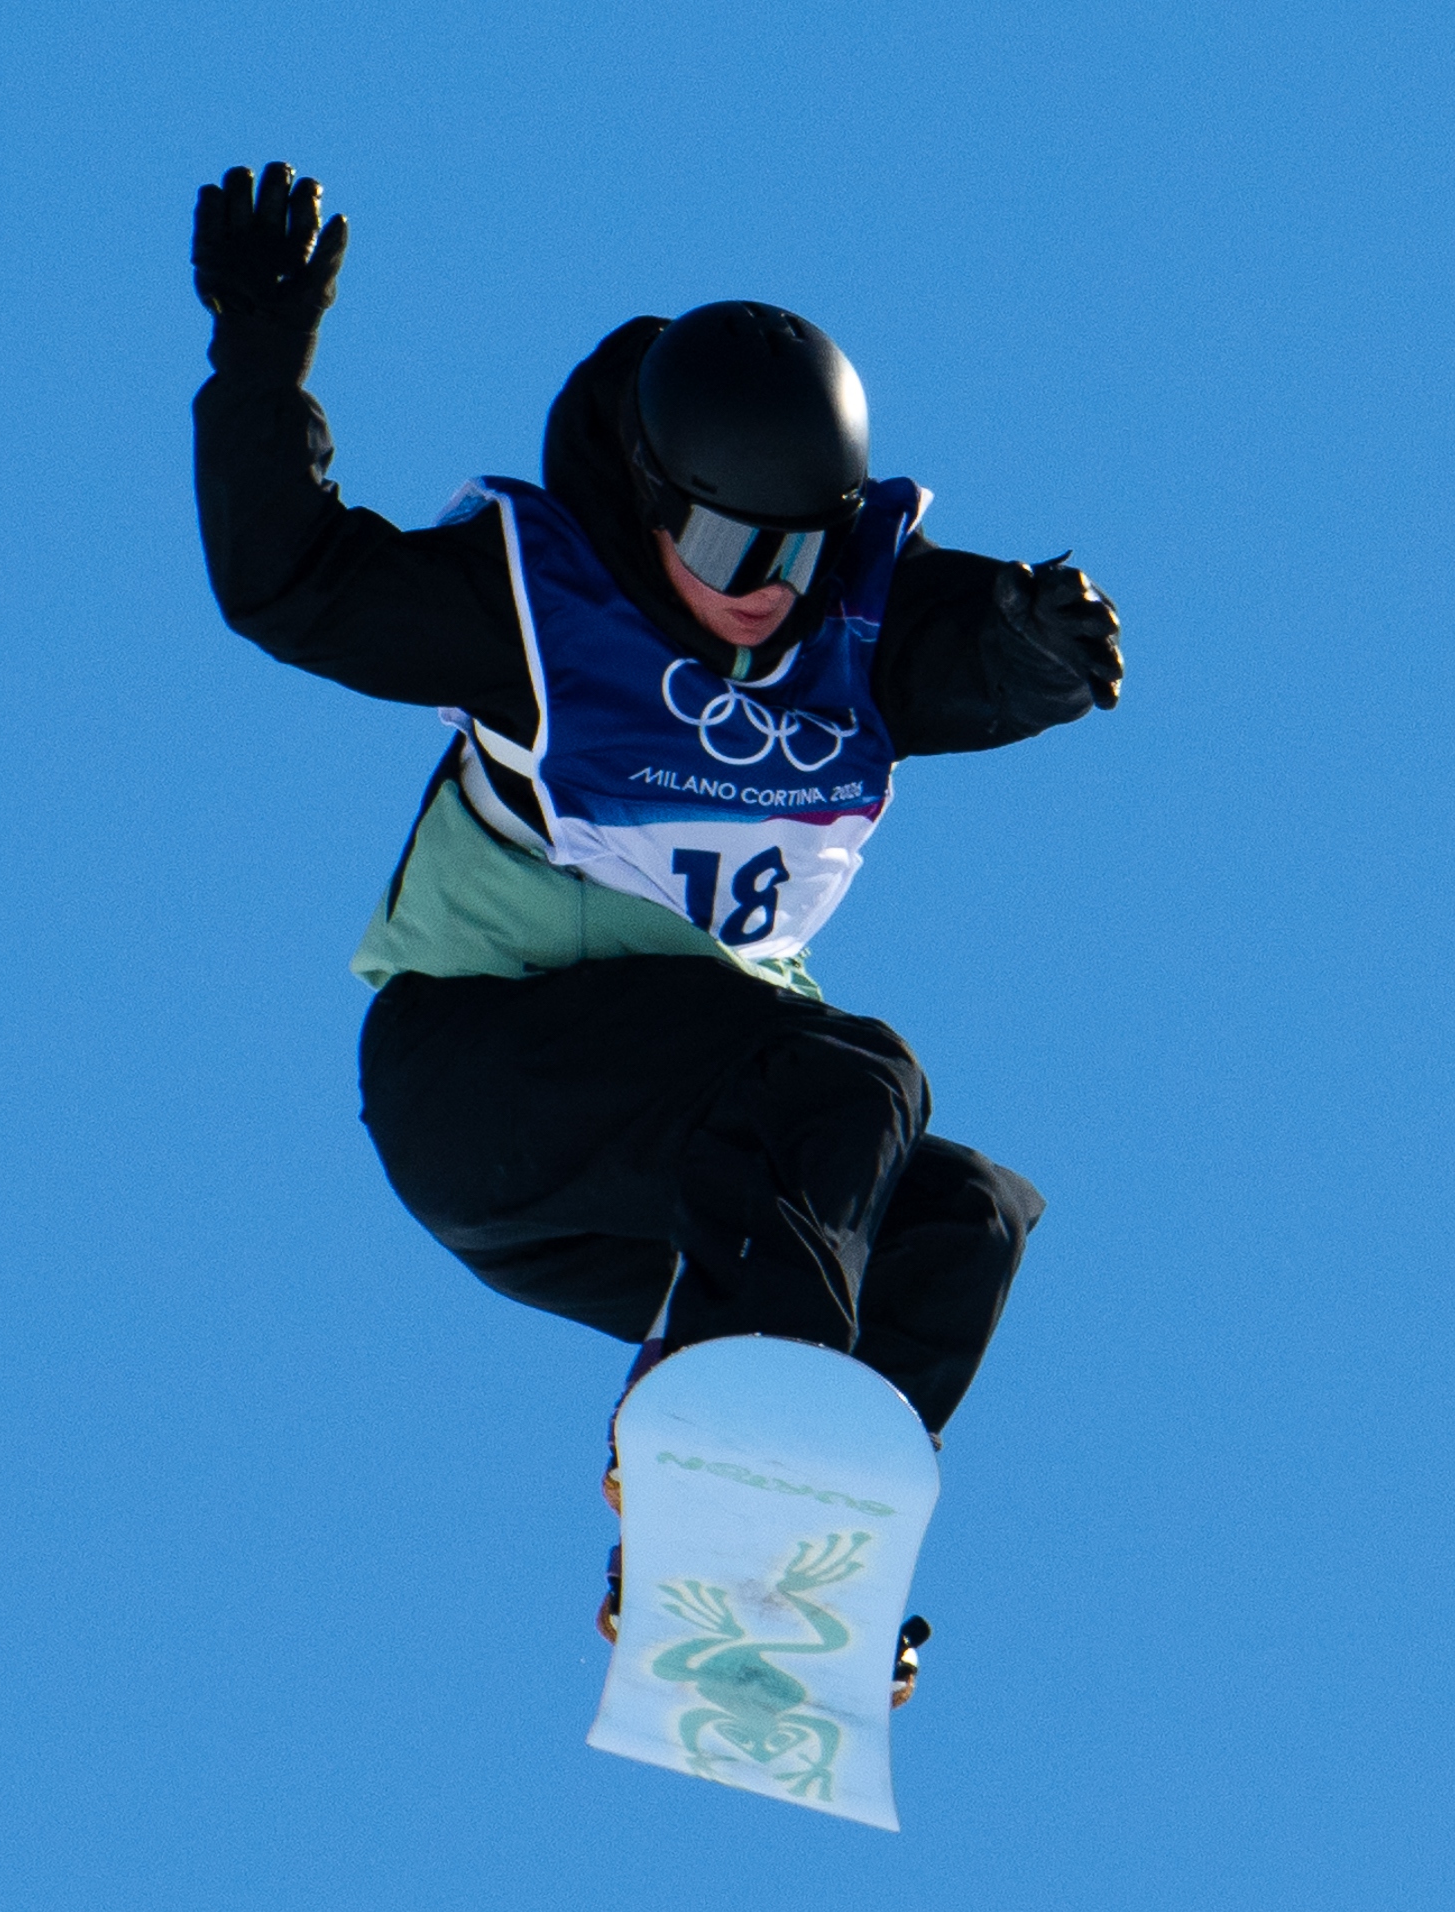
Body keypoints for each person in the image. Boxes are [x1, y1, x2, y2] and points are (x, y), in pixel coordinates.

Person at [188, 165, 1125, 1686]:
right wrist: (258, 365)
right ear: (649, 503)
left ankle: (786, 1574)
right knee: (854, 1076)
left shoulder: (852, 632)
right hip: (477, 1076)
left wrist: (1039, 643)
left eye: (798, 551)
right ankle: (730, 1466)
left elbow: (957, 645)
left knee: (964, 1219)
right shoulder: (542, 610)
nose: (761, 594)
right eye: (722, 548)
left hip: (659, 1163)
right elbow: (292, 585)